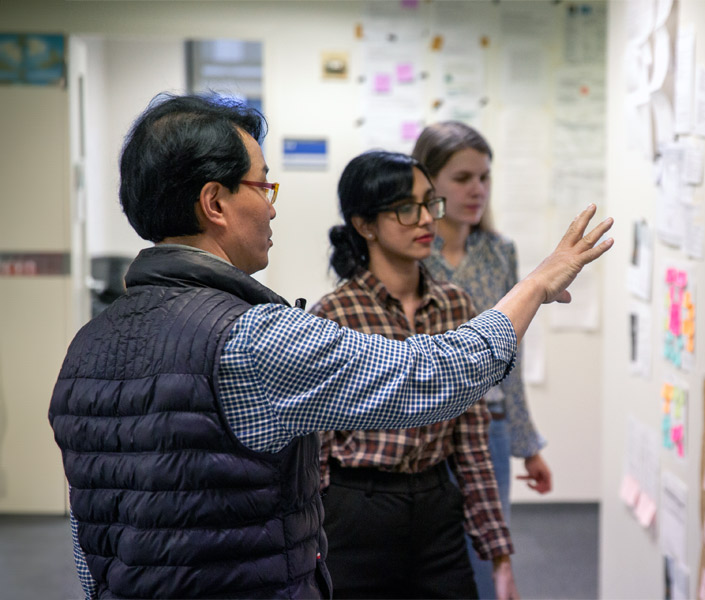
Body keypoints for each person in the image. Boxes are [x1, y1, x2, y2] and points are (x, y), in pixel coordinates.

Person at [47, 93, 614, 600]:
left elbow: (87, 532)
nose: (271, 206)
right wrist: (536, 285)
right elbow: (431, 377)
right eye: (261, 185)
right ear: (214, 202)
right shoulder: (249, 336)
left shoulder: (87, 346)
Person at [310, 150, 517, 599]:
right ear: (365, 225)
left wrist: (500, 557)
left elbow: (471, 438)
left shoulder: (456, 305)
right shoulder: (335, 313)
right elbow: (315, 449)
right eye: (407, 208)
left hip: (436, 506)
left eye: (430, 203)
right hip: (356, 509)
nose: (426, 219)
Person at [413, 121, 552, 598]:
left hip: (488, 424)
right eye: (463, 178)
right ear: (428, 183)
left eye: (484, 177)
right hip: (421, 427)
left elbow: (510, 354)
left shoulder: (499, 252)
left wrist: (526, 443)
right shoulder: (410, 253)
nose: (478, 190)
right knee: (426, 557)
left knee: (488, 557)